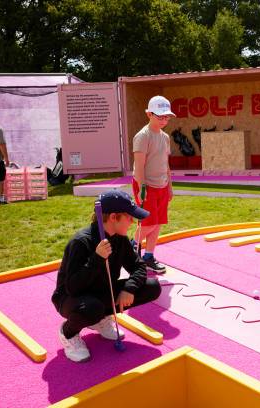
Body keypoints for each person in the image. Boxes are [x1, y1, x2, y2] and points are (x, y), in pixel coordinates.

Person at [51, 190, 162, 362]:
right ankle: (68, 332)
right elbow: (72, 287)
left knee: (152, 287)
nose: (133, 221)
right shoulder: (81, 242)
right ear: (113, 217)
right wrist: (96, 259)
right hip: (70, 298)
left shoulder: (120, 238)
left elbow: (139, 266)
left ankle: (99, 319)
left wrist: (129, 288)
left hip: (100, 292)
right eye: (129, 217)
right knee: (92, 308)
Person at [131, 96, 175, 273]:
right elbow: (139, 166)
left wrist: (169, 186)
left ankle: (148, 256)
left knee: (158, 224)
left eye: (167, 117)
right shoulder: (142, 136)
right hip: (145, 186)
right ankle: (132, 245)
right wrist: (142, 189)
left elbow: (166, 164)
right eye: (160, 117)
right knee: (148, 223)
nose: (164, 120)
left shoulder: (165, 138)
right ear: (149, 114)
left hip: (162, 186)